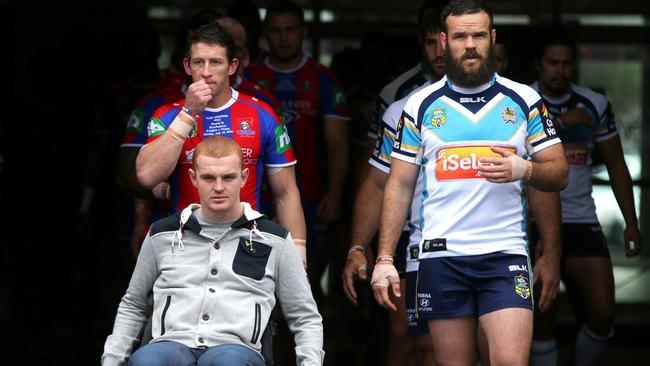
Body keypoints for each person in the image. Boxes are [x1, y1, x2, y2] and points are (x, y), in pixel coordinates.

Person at [371, 1, 569, 365]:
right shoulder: (418, 105)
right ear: (444, 42)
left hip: (504, 255)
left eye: (479, 35)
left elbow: (559, 172)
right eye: (461, 36)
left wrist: (523, 170)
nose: (471, 44)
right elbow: (397, 186)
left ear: (492, 39)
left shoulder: (524, 100)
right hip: (441, 257)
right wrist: (384, 258)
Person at [102, 136, 323, 366]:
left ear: (244, 178)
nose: (219, 187)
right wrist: (112, 360)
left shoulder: (274, 239)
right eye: (208, 178)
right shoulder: (162, 234)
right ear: (193, 178)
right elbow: (133, 305)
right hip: (170, 345)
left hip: (236, 351)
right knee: (147, 361)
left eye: (228, 177)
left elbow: (304, 316)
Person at [134, 22, 308, 265]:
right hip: (184, 248)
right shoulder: (166, 116)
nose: (206, 71)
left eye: (215, 62)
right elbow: (146, 176)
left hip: (246, 247)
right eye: (198, 62)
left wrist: (299, 258)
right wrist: (188, 113)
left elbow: (286, 192)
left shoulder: (262, 114)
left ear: (232, 66)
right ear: (187, 65)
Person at [529, 29, 643, 366]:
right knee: (541, 319)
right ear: (538, 64)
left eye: (567, 63)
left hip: (581, 221)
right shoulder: (520, 101)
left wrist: (632, 223)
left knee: (602, 314)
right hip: (534, 224)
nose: (560, 70)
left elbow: (617, 165)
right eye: (553, 62)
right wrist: (563, 122)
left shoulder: (594, 103)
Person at [342, 2, 446, 365]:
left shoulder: (506, 100)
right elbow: (374, 177)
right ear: (422, 43)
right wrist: (361, 244)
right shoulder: (398, 101)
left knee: (454, 344)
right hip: (407, 233)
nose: (441, 51)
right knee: (405, 336)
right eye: (432, 42)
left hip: (474, 240)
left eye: (447, 40)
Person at [246, 0, 350, 303]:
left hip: (311, 196)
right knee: (257, 282)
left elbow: (338, 144)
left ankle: (303, 349)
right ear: (265, 33)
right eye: (276, 30)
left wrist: (335, 193)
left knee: (306, 281)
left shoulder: (324, 80)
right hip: (257, 197)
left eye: (290, 30)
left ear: (303, 32)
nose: (283, 37)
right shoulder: (250, 79)